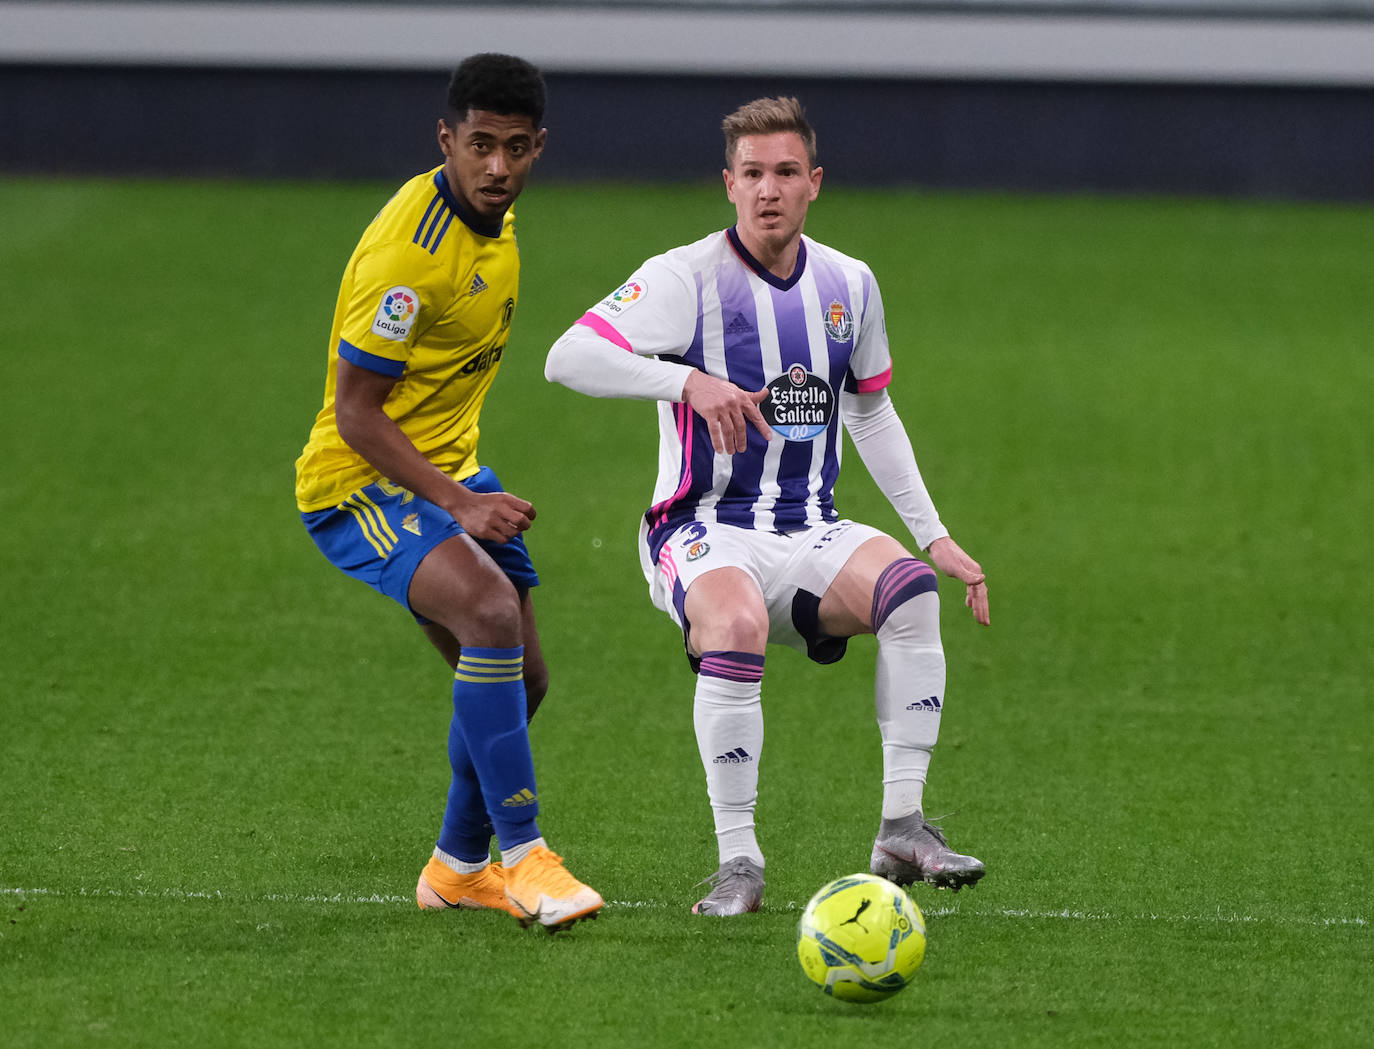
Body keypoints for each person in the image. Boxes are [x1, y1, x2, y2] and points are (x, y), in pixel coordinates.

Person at [544, 96, 989, 916]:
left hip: (811, 528)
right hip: (699, 528)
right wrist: (687, 379)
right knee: (739, 623)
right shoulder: (685, 279)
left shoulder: (849, 282)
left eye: (786, 172)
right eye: (752, 174)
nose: (769, 189)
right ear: (728, 184)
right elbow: (566, 357)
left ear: (814, 182)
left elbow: (871, 409)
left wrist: (936, 536)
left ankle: (901, 826)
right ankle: (738, 863)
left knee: (913, 596)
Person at [294, 53, 601, 932]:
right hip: (357, 485)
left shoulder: (495, 228)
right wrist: (459, 505)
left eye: (514, 148)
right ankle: (525, 856)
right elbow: (355, 415)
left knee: (523, 679)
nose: (497, 167)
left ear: (538, 146)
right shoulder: (410, 257)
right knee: (492, 618)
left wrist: (463, 488)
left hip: (447, 470)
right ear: (446, 140)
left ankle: (458, 866)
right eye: (478, 146)